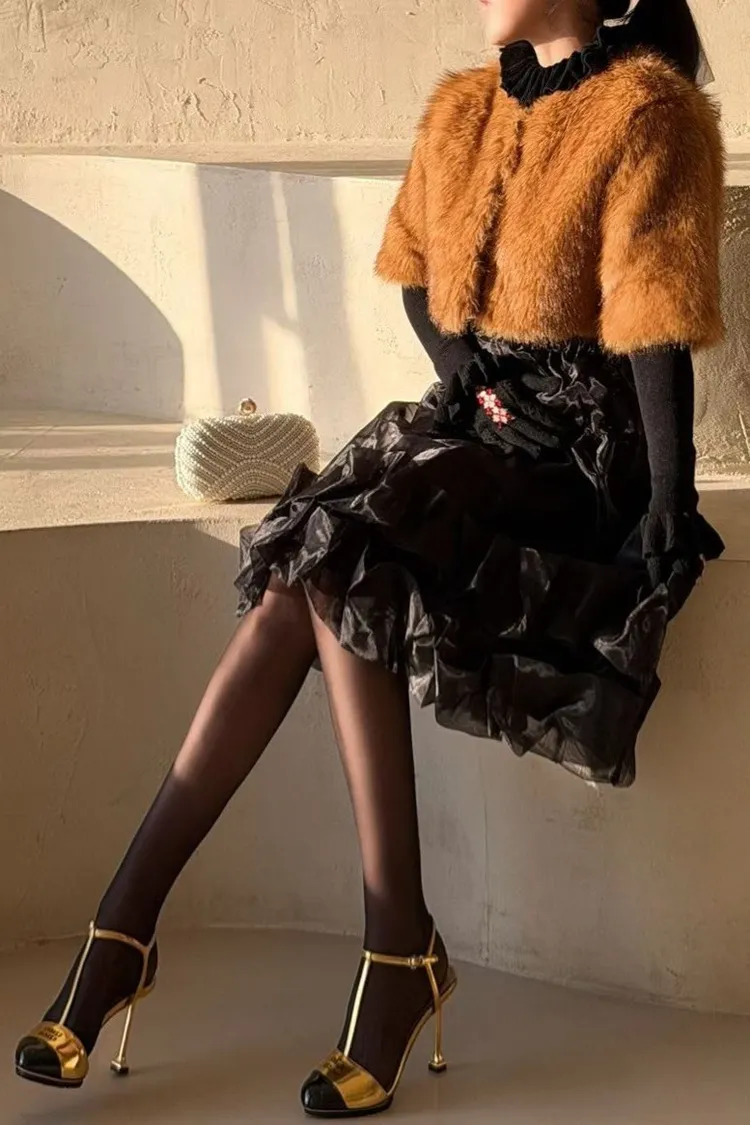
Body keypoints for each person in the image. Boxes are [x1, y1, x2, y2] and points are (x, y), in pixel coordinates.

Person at [15, 0, 725, 1116]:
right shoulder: (463, 109)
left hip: (581, 455)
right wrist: (469, 376)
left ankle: (145, 933)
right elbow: (414, 275)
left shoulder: (649, 110)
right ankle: (352, 942)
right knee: (319, 555)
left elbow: (658, 324)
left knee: (332, 553)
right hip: (481, 422)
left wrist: (668, 508)